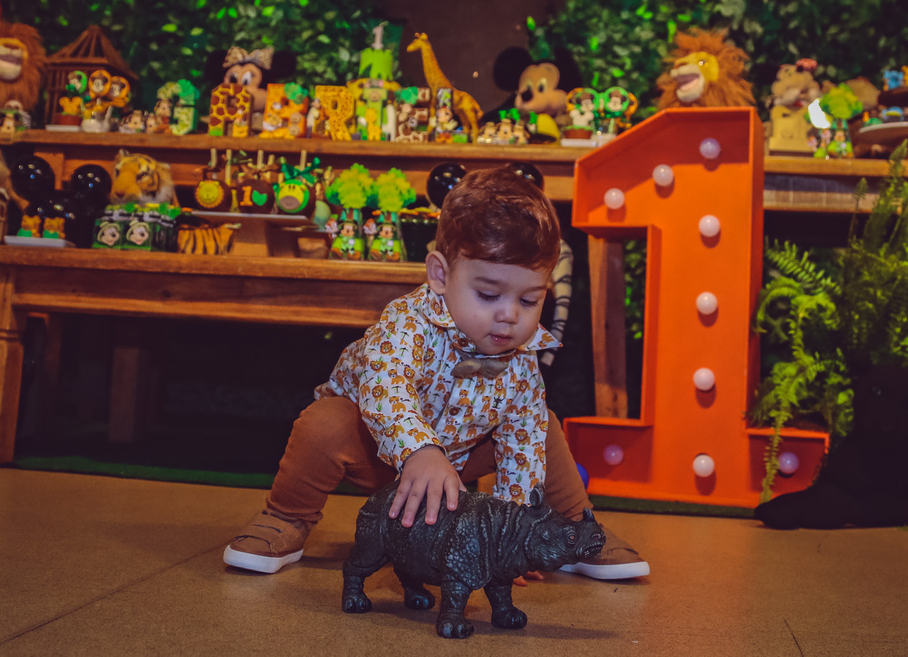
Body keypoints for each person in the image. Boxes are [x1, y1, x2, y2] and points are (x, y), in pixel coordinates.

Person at [224, 166, 648, 581]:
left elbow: (522, 443)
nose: (509, 316)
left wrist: (512, 537)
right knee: (325, 422)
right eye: (488, 294)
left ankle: (576, 527)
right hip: (375, 452)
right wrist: (420, 451)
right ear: (441, 275)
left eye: (529, 300)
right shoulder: (407, 322)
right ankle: (286, 518)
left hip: (459, 462)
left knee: (541, 425)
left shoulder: (521, 352)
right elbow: (385, 386)